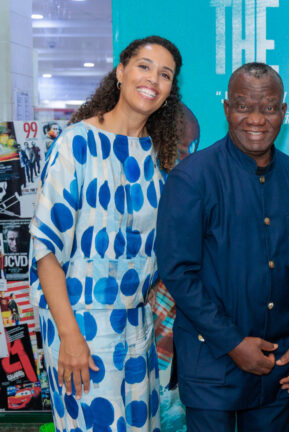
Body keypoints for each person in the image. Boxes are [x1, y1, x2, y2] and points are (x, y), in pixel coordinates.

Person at [29, 35, 184, 431]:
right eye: (144, 66)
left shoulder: (160, 158)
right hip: (79, 325)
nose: (153, 79)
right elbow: (46, 250)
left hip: (139, 327)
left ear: (170, 91)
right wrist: (69, 336)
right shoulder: (75, 144)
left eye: (165, 74)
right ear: (121, 71)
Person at [156, 62, 289, 432]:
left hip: (279, 366)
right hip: (211, 362)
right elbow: (178, 272)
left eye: (269, 107)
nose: (257, 119)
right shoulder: (192, 178)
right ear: (227, 108)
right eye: (244, 106)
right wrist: (233, 343)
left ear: (283, 111)